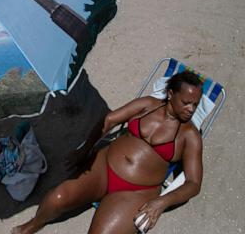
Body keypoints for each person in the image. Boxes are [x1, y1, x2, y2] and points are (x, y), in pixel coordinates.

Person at [12, 71, 204, 234]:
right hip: (104, 167)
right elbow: (110, 120)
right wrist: (85, 151)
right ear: (170, 94)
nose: (191, 109)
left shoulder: (190, 136)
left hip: (137, 191)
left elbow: (194, 183)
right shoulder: (148, 105)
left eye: (195, 104)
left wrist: (162, 202)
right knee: (58, 198)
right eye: (186, 102)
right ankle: (32, 226)